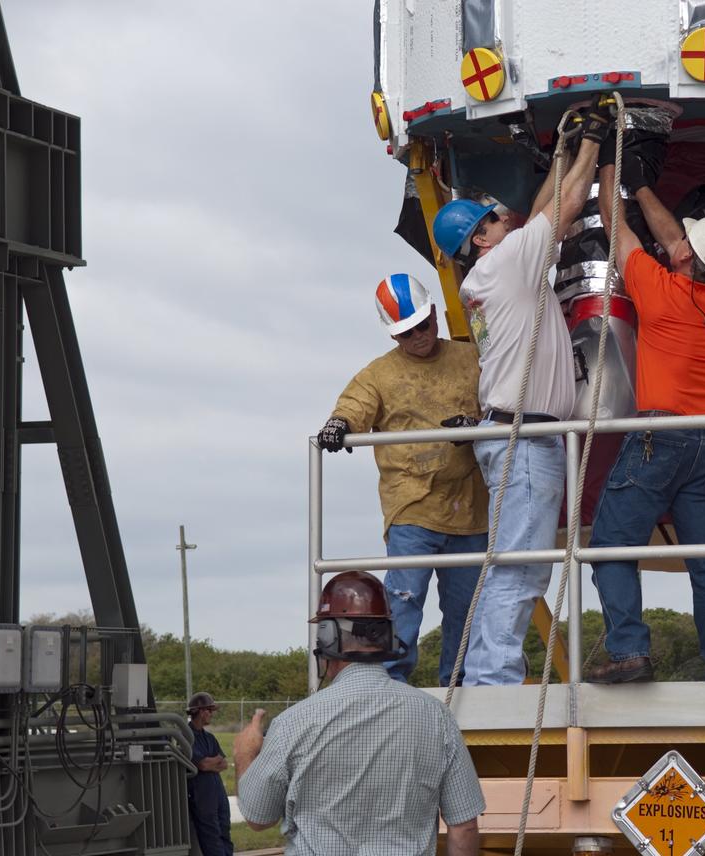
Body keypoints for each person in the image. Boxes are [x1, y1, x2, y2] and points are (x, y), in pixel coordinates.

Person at [430, 94, 609, 685]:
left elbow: (538, 215)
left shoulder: (486, 273)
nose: (505, 216)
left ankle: (488, 670)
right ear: (482, 237)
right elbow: (562, 211)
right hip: (526, 438)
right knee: (519, 570)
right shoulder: (506, 263)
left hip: (510, 432)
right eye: (494, 217)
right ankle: (493, 679)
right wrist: (592, 144)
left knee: (509, 563)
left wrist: (564, 152)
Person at [584, 154, 705, 683]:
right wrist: (645, 186)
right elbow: (674, 238)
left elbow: (617, 227)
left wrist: (613, 170)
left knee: (611, 546)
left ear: (684, 258)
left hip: (658, 436)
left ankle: (631, 651)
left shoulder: (658, 292)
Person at [234, 571, 484, 856]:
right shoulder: (437, 716)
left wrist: (245, 753)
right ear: (387, 636)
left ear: (327, 638)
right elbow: (463, 826)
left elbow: (257, 818)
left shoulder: (293, 722)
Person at [317, 273, 487, 687]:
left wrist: (480, 423)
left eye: (422, 326)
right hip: (411, 506)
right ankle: (389, 687)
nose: (417, 337)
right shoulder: (378, 375)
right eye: (405, 333)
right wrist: (339, 423)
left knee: (466, 610)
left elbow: (502, 402)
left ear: (433, 314)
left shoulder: (472, 358)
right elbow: (355, 405)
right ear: (393, 336)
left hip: (470, 509)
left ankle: (457, 687)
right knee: (404, 602)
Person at [186, 691, 234, 856]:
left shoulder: (209, 737)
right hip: (202, 794)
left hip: (217, 792)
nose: (212, 714)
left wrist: (210, 763)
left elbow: (224, 763)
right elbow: (204, 765)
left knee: (224, 828)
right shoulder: (187, 736)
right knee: (211, 835)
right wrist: (212, 762)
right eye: (210, 710)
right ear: (200, 711)